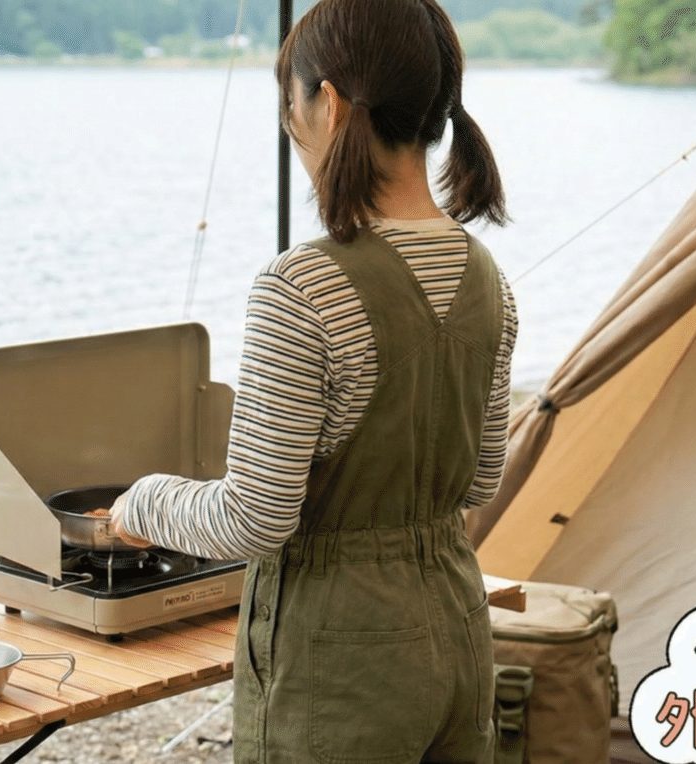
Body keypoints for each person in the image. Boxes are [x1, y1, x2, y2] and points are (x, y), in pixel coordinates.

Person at [110, 0, 517, 760]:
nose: (287, 124)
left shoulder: (303, 286)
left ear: (325, 102)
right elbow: (480, 478)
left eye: (287, 101)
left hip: (340, 658)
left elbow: (253, 521)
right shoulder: (486, 275)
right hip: (458, 629)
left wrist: (142, 501)